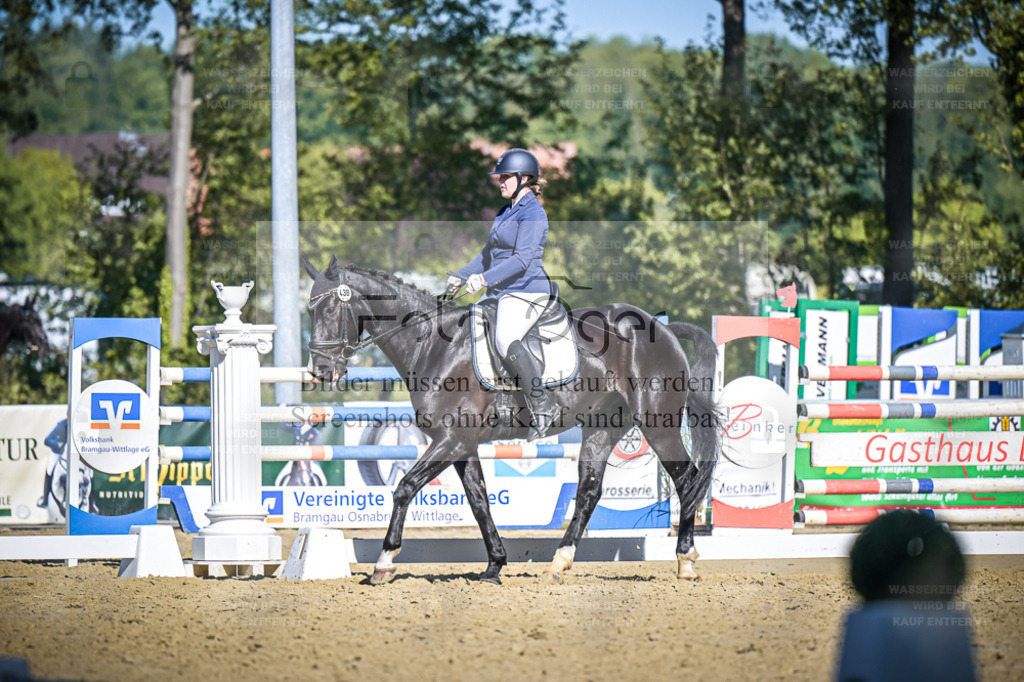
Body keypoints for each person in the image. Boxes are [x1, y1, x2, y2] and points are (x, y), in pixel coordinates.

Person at [449, 147, 558, 441]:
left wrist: (483, 280)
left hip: (527, 290)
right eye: (500, 177)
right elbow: (488, 254)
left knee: (505, 338)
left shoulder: (534, 213)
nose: (500, 181)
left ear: (524, 178)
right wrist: (459, 276)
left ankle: (543, 405)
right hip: (500, 292)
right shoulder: (506, 211)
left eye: (506, 177)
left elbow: (522, 260)